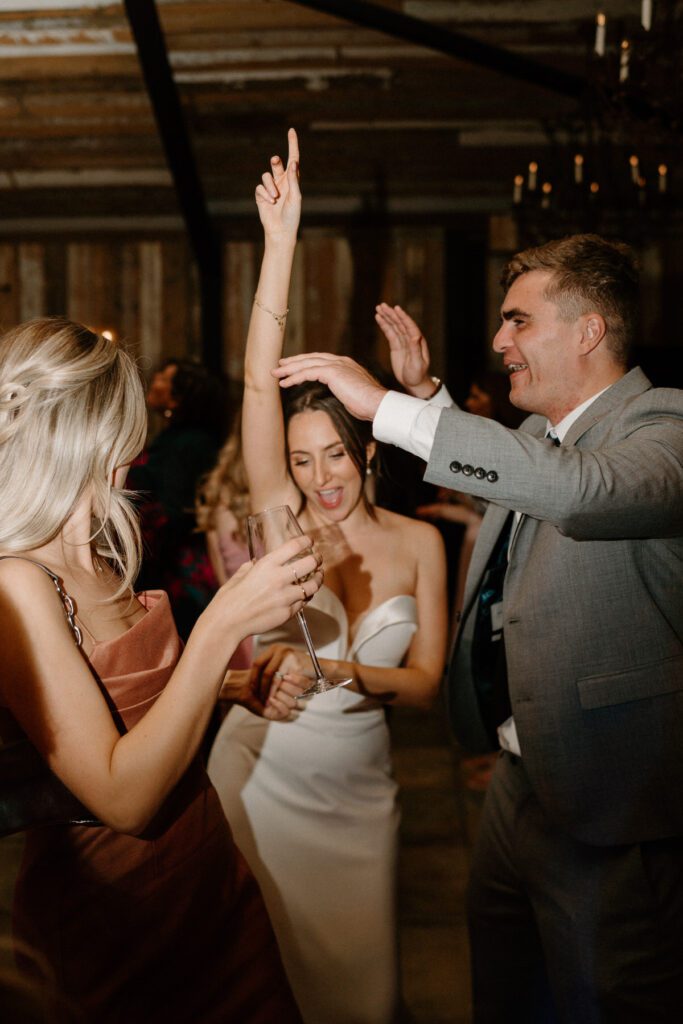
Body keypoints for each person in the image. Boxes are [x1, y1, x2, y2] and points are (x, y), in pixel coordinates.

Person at [273, 233, 683, 1023]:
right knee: (503, 982)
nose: (499, 341)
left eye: (518, 321)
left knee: (606, 995)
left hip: (612, 795)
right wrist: (424, 395)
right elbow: (520, 473)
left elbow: (580, 493)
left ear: (588, 330)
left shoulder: (664, 427)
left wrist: (382, 410)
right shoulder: (535, 439)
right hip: (516, 779)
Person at [0, 317, 325, 1023]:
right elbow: (123, 801)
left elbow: (129, 707)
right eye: (129, 412)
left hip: (209, 884)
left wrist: (238, 687)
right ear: (88, 428)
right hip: (115, 920)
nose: (145, 430)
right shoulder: (18, 583)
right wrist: (222, 626)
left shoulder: (105, 553)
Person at [207, 130, 448, 1024]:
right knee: (257, 986)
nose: (319, 478)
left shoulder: (421, 544)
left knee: (365, 993)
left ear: (365, 449)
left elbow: (424, 686)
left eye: (333, 455)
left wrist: (342, 673)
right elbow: (255, 385)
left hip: (358, 791)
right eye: (301, 462)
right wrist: (279, 248)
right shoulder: (280, 522)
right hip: (261, 781)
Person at [127, 358, 229, 639]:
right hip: (164, 559)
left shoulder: (190, 443)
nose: (154, 380)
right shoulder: (175, 438)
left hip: (179, 568)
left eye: (163, 377)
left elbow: (179, 508)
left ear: (180, 394)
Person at [195, 408, 253, 670]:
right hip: (272, 633)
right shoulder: (286, 494)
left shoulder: (218, 491)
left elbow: (222, 579)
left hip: (237, 630)